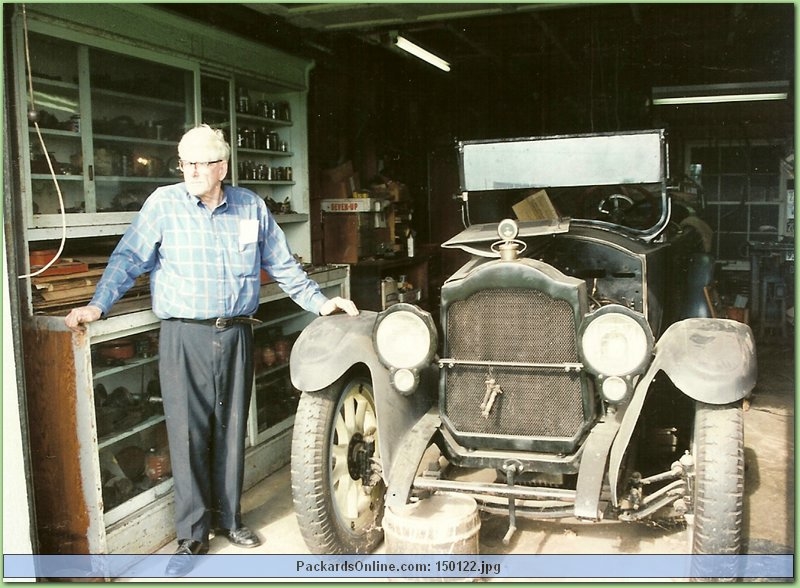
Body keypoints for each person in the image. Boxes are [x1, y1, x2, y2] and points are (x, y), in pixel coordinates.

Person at [65, 124, 358, 576]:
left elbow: (282, 264)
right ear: (180, 166)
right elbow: (127, 259)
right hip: (185, 335)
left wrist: (322, 302)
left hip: (237, 333)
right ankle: (191, 536)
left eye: (205, 163)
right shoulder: (164, 204)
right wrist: (97, 306)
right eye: (188, 163)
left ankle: (230, 519)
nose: (196, 171)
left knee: (230, 429)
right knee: (186, 436)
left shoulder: (250, 207)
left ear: (223, 166)